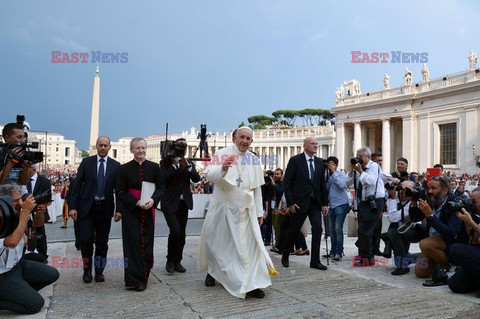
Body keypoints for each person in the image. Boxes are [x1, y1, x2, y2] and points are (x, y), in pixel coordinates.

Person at [198, 127, 277, 299]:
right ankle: (213, 272)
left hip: (245, 210)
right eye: (242, 137)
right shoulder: (222, 153)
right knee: (218, 245)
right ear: (234, 138)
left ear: (251, 142)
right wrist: (224, 169)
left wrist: (259, 212)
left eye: (248, 138)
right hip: (223, 207)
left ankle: (252, 283)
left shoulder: (254, 160)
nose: (245, 141)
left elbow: (256, 189)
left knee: (248, 249)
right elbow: (210, 175)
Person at [69, 136, 121, 284]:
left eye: (106, 145)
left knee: (102, 243)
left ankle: (99, 271)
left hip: (105, 209)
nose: (103, 148)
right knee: (86, 240)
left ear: (110, 147)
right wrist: (72, 207)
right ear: (96, 146)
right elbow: (77, 186)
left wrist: (119, 209)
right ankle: (86, 270)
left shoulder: (116, 165)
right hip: (86, 209)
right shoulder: (87, 162)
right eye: (100, 145)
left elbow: (119, 190)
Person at [0, 183, 59, 314]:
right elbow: (12, 242)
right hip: (2, 274)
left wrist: (39, 212)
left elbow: (37, 225)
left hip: (16, 266)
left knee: (52, 274)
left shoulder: (19, 213)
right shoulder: (2, 217)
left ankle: (18, 292)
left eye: (21, 199)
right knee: (35, 304)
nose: (21, 203)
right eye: (16, 200)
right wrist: (25, 212)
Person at [116, 137, 162, 292]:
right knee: (133, 244)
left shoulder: (155, 167)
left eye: (143, 148)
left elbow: (161, 188)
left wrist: (152, 200)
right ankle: (135, 280)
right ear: (132, 150)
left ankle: (145, 275)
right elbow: (120, 192)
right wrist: (136, 202)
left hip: (149, 210)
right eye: (137, 148)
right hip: (131, 211)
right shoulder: (124, 169)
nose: (141, 151)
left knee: (147, 243)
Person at [282, 136, 329, 270]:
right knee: (293, 230)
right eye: (312, 143)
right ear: (305, 145)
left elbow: (322, 185)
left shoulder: (320, 162)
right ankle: (285, 254)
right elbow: (287, 183)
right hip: (298, 203)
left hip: (315, 203)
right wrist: (290, 203)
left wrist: (325, 203)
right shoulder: (295, 160)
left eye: (316, 144)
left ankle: (315, 261)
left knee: (318, 229)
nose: (315, 145)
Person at [411, 175, 466, 279]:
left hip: (450, 242)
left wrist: (430, 216)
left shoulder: (455, 203)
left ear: (445, 190)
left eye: (434, 188)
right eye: (428, 188)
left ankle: (452, 267)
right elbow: (415, 218)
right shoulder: (431, 200)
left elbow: (450, 234)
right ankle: (438, 260)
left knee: (425, 244)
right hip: (433, 242)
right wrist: (413, 204)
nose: (430, 191)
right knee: (420, 273)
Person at [159, 138, 200, 274]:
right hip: (169, 203)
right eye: (180, 147)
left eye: (184, 147)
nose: (182, 150)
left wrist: (188, 166)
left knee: (182, 234)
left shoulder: (188, 162)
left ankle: (178, 261)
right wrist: (174, 166)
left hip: (184, 203)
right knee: (175, 231)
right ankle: (170, 260)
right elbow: (162, 178)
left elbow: (196, 179)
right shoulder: (165, 162)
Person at [347, 147, 385, 267]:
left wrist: (360, 171)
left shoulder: (374, 166)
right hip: (363, 202)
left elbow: (371, 181)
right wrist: (352, 168)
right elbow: (347, 181)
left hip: (374, 202)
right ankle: (363, 255)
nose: (359, 159)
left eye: (361, 156)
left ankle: (367, 258)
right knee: (362, 230)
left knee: (365, 230)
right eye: (357, 156)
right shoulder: (360, 168)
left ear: (368, 157)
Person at [448, 187, 480, 293]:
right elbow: (474, 241)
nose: (471, 203)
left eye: (474, 201)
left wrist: (471, 222)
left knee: (455, 250)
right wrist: (467, 220)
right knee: (454, 284)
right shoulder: (474, 215)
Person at [25, 164, 52, 261]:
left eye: (26, 168)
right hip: (24, 212)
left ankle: (43, 256)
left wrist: (43, 205)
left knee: (40, 234)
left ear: (32, 169)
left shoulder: (45, 181)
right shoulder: (22, 180)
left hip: (39, 212)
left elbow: (49, 198)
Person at [326, 156, 349, 261]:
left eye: (331, 164)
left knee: (338, 229)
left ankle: (339, 252)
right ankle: (333, 251)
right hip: (331, 205)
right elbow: (325, 188)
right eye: (328, 164)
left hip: (341, 204)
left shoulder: (342, 174)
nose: (330, 166)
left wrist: (334, 173)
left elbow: (341, 185)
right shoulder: (328, 176)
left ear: (336, 165)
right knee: (331, 230)